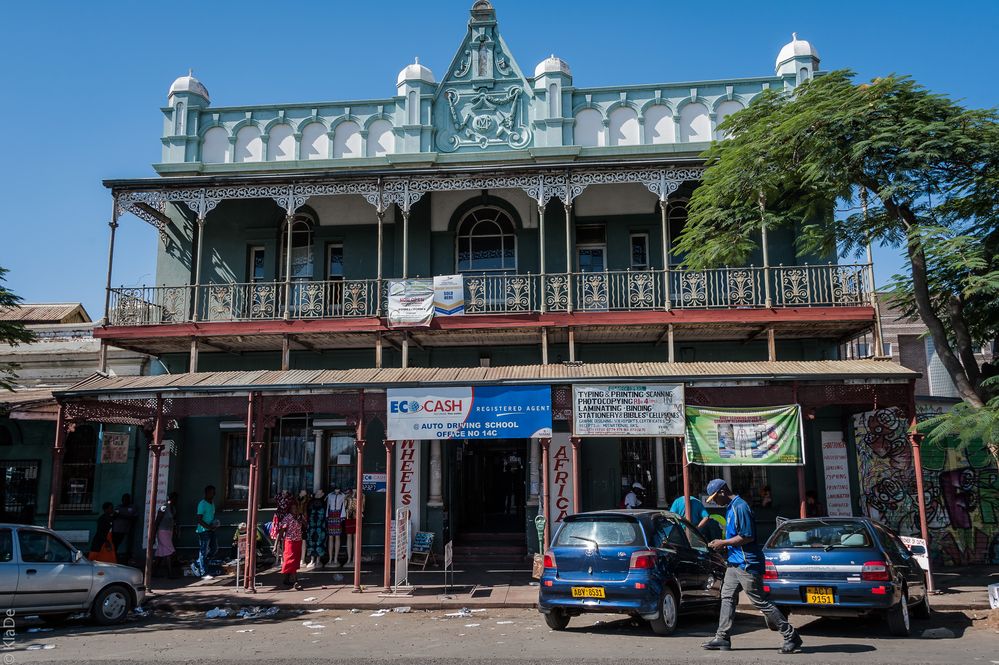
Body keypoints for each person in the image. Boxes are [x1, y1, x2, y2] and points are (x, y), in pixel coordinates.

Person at [701, 478, 802, 654]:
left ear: (723, 491)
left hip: (747, 563)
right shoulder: (731, 507)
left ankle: (791, 636)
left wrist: (723, 543)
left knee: (760, 601)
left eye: (715, 497)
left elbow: (747, 536)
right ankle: (722, 637)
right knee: (727, 597)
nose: (715, 502)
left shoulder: (740, 507)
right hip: (734, 563)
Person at [280, 501, 306, 590]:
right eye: (293, 509)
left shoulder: (300, 517)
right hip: (290, 541)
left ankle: (286, 579)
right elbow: (282, 531)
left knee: (296, 560)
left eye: (296, 508)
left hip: (298, 540)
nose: (295, 510)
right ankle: (295, 581)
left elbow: (306, 526)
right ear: (290, 510)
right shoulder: (287, 518)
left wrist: (302, 519)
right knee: (290, 560)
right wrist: (276, 544)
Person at [194, 485, 218, 579]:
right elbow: (199, 519)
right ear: (207, 493)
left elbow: (210, 516)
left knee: (214, 549)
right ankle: (204, 572)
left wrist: (214, 524)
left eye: (214, 492)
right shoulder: (202, 504)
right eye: (212, 492)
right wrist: (209, 527)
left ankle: (197, 563)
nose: (214, 494)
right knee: (203, 551)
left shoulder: (212, 503)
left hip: (211, 529)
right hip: (203, 531)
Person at [153, 492, 178, 578]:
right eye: (174, 498)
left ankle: (154, 572)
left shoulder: (173, 508)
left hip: (169, 531)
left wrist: (175, 531)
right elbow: (157, 522)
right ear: (169, 499)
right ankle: (170, 573)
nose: (175, 500)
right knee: (170, 551)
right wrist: (153, 536)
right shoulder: (163, 508)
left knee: (162, 551)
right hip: (162, 531)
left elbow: (173, 521)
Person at [111, 493, 138, 564]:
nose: (125, 501)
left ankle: (128, 557)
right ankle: (113, 557)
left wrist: (122, 515)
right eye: (124, 499)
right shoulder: (118, 507)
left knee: (128, 544)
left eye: (127, 499)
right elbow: (114, 516)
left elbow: (134, 518)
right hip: (116, 529)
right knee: (115, 544)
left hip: (126, 529)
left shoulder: (132, 507)